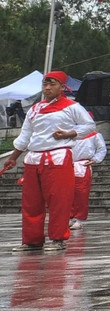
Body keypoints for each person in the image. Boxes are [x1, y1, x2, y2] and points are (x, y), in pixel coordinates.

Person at [4, 71, 95, 252]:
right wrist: (13, 157)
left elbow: (89, 126)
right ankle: (32, 240)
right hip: (34, 157)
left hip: (58, 157)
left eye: (52, 84)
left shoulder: (72, 106)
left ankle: (58, 239)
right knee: (31, 202)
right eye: (45, 84)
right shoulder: (35, 108)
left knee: (59, 201)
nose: (47, 88)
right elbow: (25, 135)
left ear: (62, 87)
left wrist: (69, 134)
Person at [69, 126, 107, 229]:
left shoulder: (94, 134)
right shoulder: (68, 133)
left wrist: (95, 159)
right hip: (68, 165)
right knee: (68, 193)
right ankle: (69, 217)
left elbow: (102, 148)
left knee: (81, 193)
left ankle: (79, 218)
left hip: (83, 165)